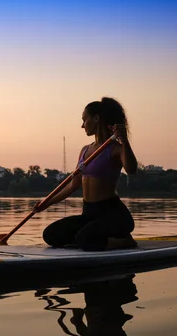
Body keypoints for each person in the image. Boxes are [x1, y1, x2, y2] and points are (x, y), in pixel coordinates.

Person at [36, 97, 138, 251]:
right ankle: (91, 239)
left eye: (85, 119)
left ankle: (124, 241)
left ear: (96, 119)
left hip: (112, 214)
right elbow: (72, 186)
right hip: (89, 213)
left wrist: (124, 141)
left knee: (85, 239)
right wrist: (46, 203)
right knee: (50, 235)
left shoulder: (116, 149)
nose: (82, 125)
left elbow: (131, 169)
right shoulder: (85, 151)